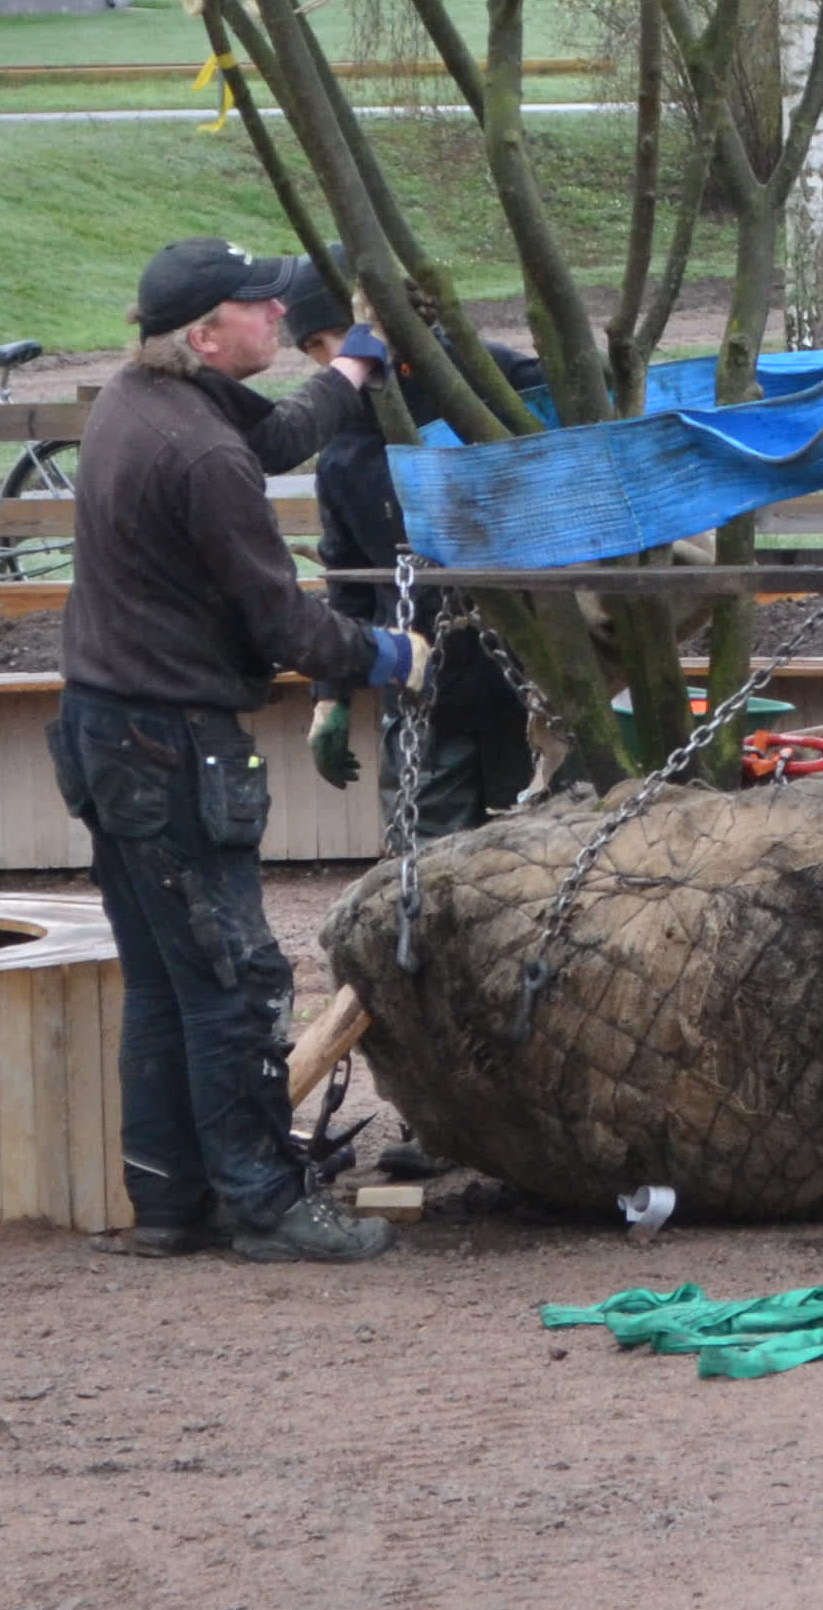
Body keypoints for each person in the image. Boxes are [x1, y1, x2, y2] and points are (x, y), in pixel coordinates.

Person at [53, 234, 430, 1266]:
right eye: (260, 307)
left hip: (103, 727)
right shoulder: (201, 453)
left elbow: (281, 436)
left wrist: (353, 361)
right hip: (170, 741)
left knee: (169, 981)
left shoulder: (144, 399)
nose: (278, 314)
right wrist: (391, 654)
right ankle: (265, 1205)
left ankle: (171, 1204)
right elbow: (283, 627)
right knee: (237, 982)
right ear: (207, 333)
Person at [280, 261, 541, 833]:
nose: (325, 364)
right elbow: (351, 581)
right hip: (424, 689)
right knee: (422, 873)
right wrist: (332, 696)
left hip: (533, 681)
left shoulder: (488, 376)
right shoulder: (344, 448)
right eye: (313, 351)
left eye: (323, 343)